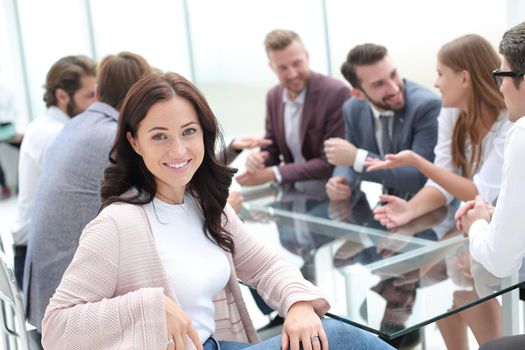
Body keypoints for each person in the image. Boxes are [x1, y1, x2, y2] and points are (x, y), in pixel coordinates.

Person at [41, 72, 394, 350]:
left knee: (329, 332)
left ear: (204, 135)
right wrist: (150, 308)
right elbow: (56, 328)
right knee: (342, 339)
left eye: (188, 132)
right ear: (135, 142)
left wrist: (299, 303)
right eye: (159, 136)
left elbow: (265, 265)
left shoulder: (204, 203)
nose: (178, 150)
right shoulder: (118, 224)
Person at [23, 52, 151, 333]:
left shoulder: (77, 125)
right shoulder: (112, 138)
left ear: (98, 91)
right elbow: (166, 193)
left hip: (46, 290)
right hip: (70, 308)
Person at [369, 34, 512, 229]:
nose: (436, 83)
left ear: (464, 78)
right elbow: (442, 181)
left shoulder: (511, 123)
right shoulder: (451, 111)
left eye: (440, 74)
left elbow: (479, 193)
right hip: (477, 226)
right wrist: (410, 209)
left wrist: (416, 160)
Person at [455, 21, 525, 350]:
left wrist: (476, 224)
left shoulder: (523, 133)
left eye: (503, 76)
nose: (499, 87)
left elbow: (500, 260)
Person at [10, 55, 97, 287]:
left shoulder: (45, 126)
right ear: (61, 96)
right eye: (89, 96)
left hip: (36, 251)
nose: (97, 104)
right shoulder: (56, 135)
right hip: (37, 260)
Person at [324, 43, 440, 204]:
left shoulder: (426, 106)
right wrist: (340, 179)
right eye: (379, 84)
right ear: (358, 94)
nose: (393, 88)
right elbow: (348, 154)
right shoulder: (352, 109)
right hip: (383, 206)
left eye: (393, 74)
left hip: (430, 207)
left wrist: (359, 158)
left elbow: (420, 177)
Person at [236, 29, 351, 191]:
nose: (292, 74)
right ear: (271, 67)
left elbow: (332, 161)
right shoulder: (273, 96)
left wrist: (273, 173)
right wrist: (259, 160)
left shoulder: (336, 93)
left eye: (297, 63)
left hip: (332, 192)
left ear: (307, 56)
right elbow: (272, 146)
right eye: (282, 68)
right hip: (292, 194)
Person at [0, 78, 21, 199]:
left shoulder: (8, 89)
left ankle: (21, 183)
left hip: (9, 128)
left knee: (24, 147)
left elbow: (17, 112)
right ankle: (4, 187)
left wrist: (18, 130)